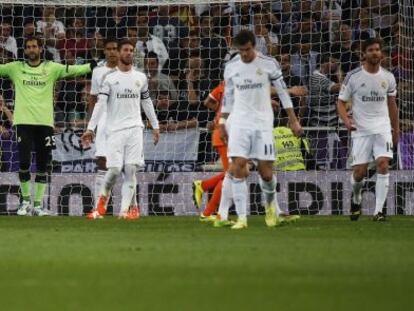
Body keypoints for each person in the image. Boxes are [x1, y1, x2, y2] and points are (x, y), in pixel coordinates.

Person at [215, 30, 303, 229]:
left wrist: (294, 120)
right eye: (241, 51)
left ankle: (272, 209)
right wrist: (222, 123)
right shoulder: (231, 67)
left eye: (247, 50)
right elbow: (228, 98)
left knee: (266, 172)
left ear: (254, 46)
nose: (244, 54)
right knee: (238, 165)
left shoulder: (269, 63)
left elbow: (283, 93)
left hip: (263, 124)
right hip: (239, 123)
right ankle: (241, 219)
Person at [0, 36, 94, 216]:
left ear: (40, 49)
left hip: (45, 123)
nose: (31, 50)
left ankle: (37, 206)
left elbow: (73, 70)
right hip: (23, 123)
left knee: (43, 164)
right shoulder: (16, 68)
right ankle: (25, 201)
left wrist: (92, 66)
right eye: (28, 47)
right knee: (25, 162)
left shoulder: (51, 68)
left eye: (34, 46)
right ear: (25, 50)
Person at [81, 39, 160, 220]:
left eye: (131, 50)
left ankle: (125, 212)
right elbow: (100, 104)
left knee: (131, 169)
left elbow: (146, 102)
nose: (129, 53)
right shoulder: (109, 79)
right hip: (114, 130)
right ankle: (102, 199)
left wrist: (155, 126)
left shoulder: (140, 78)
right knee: (115, 169)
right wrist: (90, 128)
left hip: (135, 129)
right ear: (119, 53)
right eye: (126, 50)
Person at [337, 38, 399, 222]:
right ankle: (356, 199)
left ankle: (379, 211)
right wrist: (347, 121)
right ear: (363, 54)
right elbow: (340, 102)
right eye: (371, 50)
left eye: (377, 49)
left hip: (382, 128)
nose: (375, 53)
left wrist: (396, 129)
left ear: (381, 53)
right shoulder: (353, 76)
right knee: (359, 173)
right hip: (361, 130)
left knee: (383, 164)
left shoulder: (388, 77)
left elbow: (392, 105)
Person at [84, 38, 119, 219]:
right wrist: (91, 126)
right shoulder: (98, 72)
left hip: (123, 121)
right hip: (104, 120)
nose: (112, 52)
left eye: (115, 49)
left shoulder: (131, 72)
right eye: (109, 49)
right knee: (102, 162)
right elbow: (93, 99)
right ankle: (99, 208)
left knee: (127, 166)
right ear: (104, 51)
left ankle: (130, 208)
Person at [192, 81, 228, 222]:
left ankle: (204, 188)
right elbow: (207, 102)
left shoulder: (224, 85)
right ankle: (209, 211)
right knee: (232, 174)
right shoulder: (236, 84)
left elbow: (207, 101)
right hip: (224, 134)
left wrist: (219, 112)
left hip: (230, 132)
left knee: (238, 172)